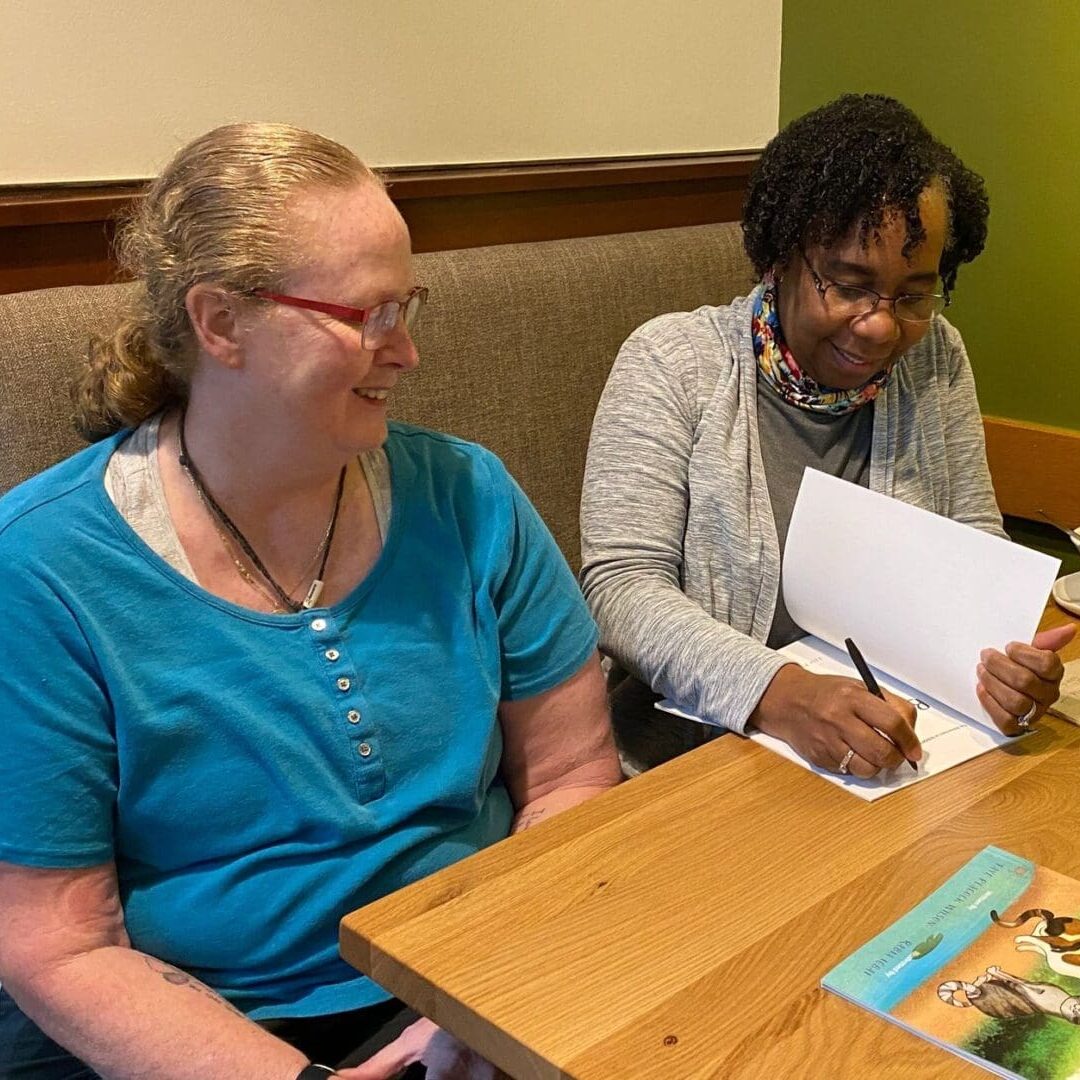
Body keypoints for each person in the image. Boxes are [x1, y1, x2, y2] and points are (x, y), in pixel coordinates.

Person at [0, 123, 622, 1080]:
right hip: (203, 1036)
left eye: (409, 306)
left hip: (482, 981)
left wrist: (475, 1005)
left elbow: (574, 774)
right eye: (368, 314)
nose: (406, 351)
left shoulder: (471, 497)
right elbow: (57, 944)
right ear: (221, 323)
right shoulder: (40, 570)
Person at [580, 94, 1073, 777]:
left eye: (914, 296)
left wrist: (1003, 660)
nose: (879, 325)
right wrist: (780, 694)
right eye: (848, 285)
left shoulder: (935, 359)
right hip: (692, 763)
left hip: (885, 757)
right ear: (779, 258)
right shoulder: (672, 363)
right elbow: (621, 588)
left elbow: (972, 541)